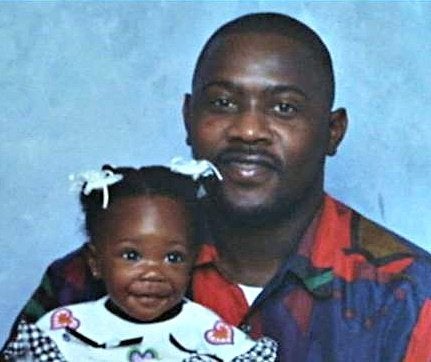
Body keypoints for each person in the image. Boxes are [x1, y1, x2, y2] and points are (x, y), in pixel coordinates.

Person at [2, 12, 431, 361]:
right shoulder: (85, 278)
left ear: (332, 131)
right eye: (222, 103)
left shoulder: (407, 296)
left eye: (284, 108)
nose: (247, 130)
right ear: (189, 118)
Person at [2, 165, 276, 361]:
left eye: (173, 258)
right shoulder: (63, 330)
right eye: (132, 256)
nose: (154, 273)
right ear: (95, 262)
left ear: (192, 262)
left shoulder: (206, 333)